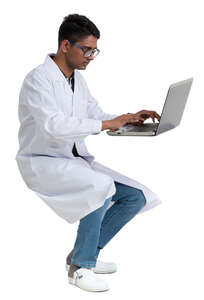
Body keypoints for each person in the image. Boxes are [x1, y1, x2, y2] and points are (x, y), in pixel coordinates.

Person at [15, 14, 161, 292]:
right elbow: (53, 125)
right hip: (42, 162)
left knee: (135, 196)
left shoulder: (75, 80)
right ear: (66, 45)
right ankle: (81, 268)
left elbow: (93, 113)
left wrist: (126, 118)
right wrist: (107, 124)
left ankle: (86, 254)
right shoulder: (38, 79)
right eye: (87, 49)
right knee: (100, 188)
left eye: (94, 50)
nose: (91, 57)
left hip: (72, 160)